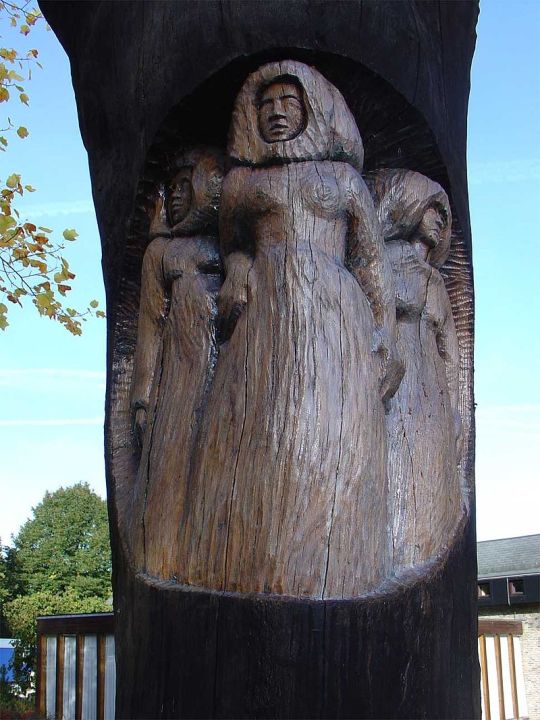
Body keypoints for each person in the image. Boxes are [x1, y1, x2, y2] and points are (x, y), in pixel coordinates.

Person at [176, 61, 402, 599]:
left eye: (288, 102)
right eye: (266, 104)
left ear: (313, 109)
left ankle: (337, 560)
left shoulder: (342, 179)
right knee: (260, 432)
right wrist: (237, 268)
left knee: (333, 434)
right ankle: (252, 559)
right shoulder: (243, 183)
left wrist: (385, 334)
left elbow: (371, 261)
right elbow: (232, 245)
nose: (276, 112)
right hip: (266, 318)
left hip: (335, 317)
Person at [130, 148, 223, 578]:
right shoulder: (162, 253)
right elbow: (150, 324)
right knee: (169, 468)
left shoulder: (233, 240)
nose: (179, 196)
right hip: (179, 376)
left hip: (228, 370)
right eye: (173, 189)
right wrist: (142, 395)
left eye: (187, 185)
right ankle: (165, 558)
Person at [367, 169, 463, 570]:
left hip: (432, 390)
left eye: (444, 216)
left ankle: (426, 547)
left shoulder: (437, 283)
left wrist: (455, 410)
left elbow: (451, 350)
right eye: (432, 210)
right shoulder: (384, 259)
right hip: (398, 381)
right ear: (410, 207)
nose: (439, 221)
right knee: (397, 469)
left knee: (431, 473)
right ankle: (399, 553)